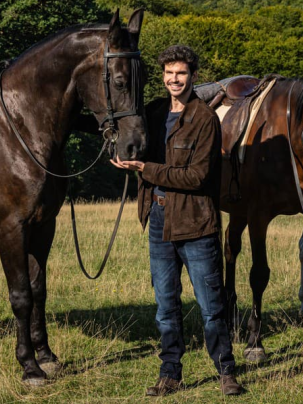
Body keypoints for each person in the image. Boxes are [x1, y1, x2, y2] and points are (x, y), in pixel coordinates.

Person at [112, 45, 244, 397]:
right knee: (165, 306)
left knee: (211, 306)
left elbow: (197, 177)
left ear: (193, 76)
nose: (174, 79)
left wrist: (145, 169)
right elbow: (122, 124)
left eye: (181, 73)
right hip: (158, 218)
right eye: (169, 73)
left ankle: (226, 370)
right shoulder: (154, 112)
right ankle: (170, 372)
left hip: (196, 223)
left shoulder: (205, 119)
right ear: (163, 75)